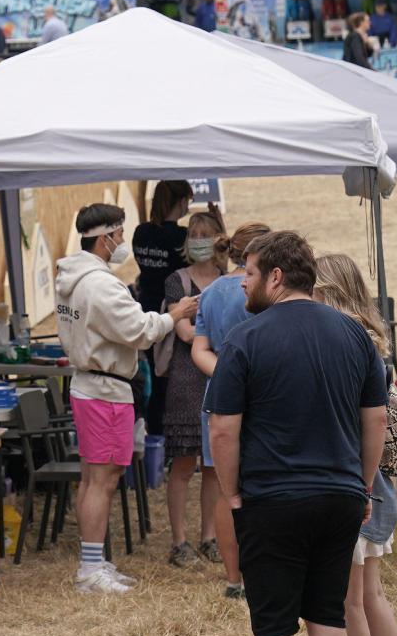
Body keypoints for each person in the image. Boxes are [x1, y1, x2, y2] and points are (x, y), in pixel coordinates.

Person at [209, 232, 387, 636]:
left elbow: (223, 429)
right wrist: (363, 483)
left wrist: (232, 493)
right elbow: (374, 418)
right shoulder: (356, 337)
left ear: (276, 278)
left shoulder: (246, 339)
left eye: (249, 271)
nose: (243, 280)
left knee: (274, 625)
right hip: (339, 497)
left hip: (273, 498)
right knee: (328, 617)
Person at [55, 203, 197, 594]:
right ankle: (89, 568)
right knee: (101, 480)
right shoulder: (100, 284)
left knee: (93, 478)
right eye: (118, 235)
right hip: (105, 389)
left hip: (91, 385)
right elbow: (137, 330)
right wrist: (175, 314)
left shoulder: (73, 276)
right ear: (104, 239)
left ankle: (94, 561)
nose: (122, 242)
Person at [312, 253, 397, 636]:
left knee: (349, 604)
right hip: (378, 485)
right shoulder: (375, 342)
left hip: (355, 485)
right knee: (371, 597)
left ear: (327, 291)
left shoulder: (342, 344)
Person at [190, 221, 273, 601]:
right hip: (263, 393)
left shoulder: (210, 293)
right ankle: (263, 573)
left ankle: (233, 579)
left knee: (227, 489)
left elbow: (198, 349)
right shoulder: (266, 289)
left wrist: (226, 375)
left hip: (219, 395)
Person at [162, 210, 227, 568]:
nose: (199, 239)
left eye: (206, 233)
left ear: (218, 238)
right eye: (194, 233)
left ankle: (209, 536)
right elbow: (184, 332)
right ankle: (178, 541)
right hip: (186, 381)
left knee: (214, 467)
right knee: (184, 464)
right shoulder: (177, 281)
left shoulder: (227, 279)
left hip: (218, 379)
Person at [134, 180, 194, 449]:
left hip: (145, 308)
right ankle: (168, 439)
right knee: (171, 379)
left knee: (155, 377)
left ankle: (155, 437)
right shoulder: (180, 238)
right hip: (173, 312)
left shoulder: (141, 232)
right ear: (181, 202)